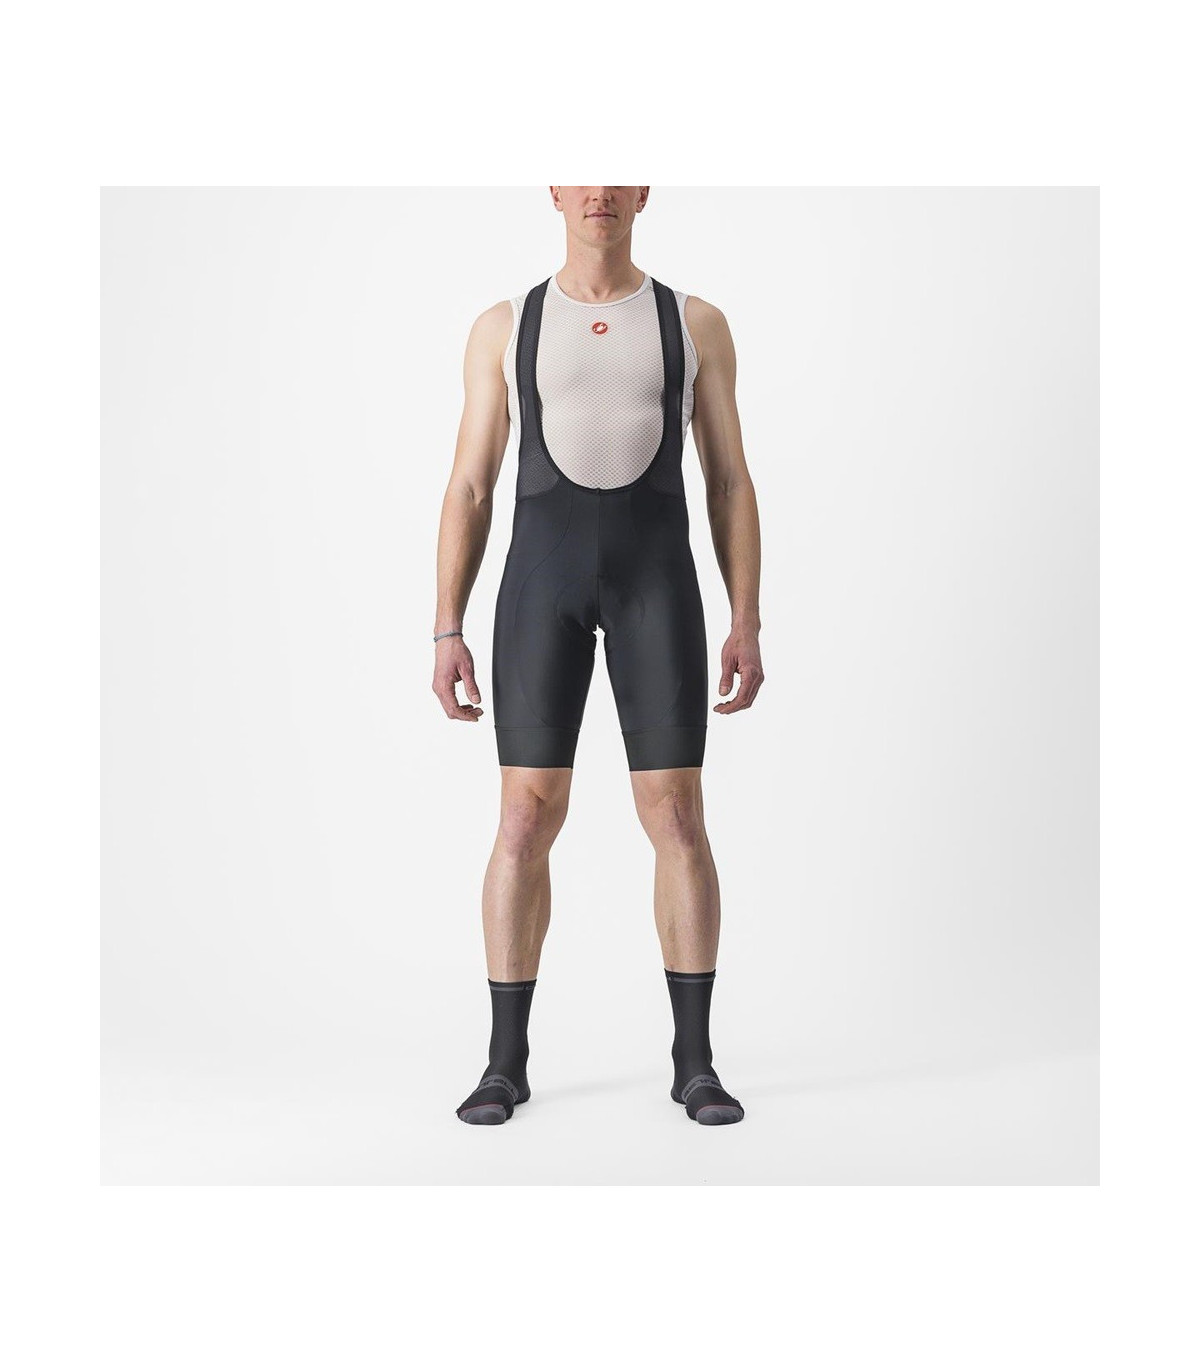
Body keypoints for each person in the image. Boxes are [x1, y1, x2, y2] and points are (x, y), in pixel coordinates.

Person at [433, 186, 763, 1126]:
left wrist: (745, 618)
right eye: (580, 172)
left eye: (619, 173)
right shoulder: (507, 326)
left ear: (645, 189)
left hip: (658, 584)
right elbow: (470, 483)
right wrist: (447, 626)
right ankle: (504, 1063)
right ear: (553, 189)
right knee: (523, 818)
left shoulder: (694, 322)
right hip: (542, 586)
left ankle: (694, 1062)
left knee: (678, 816)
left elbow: (729, 480)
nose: (599, 193)